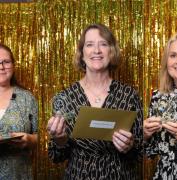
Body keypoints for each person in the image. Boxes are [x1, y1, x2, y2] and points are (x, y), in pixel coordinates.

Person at [47, 23, 143, 180]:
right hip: (79, 175)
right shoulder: (64, 98)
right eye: (89, 44)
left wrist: (130, 146)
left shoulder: (129, 95)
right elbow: (56, 157)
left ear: (111, 51)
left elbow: (139, 154)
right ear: (81, 53)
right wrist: (60, 140)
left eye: (103, 44)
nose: (96, 51)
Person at [144, 32, 177, 180]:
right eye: (173, 55)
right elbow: (150, 152)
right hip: (166, 174)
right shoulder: (158, 97)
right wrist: (145, 135)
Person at [0, 43, 38, 180]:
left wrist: (29, 140)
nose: (1, 67)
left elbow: (40, 136)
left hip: (18, 175)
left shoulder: (28, 98)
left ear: (13, 65)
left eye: (6, 62)